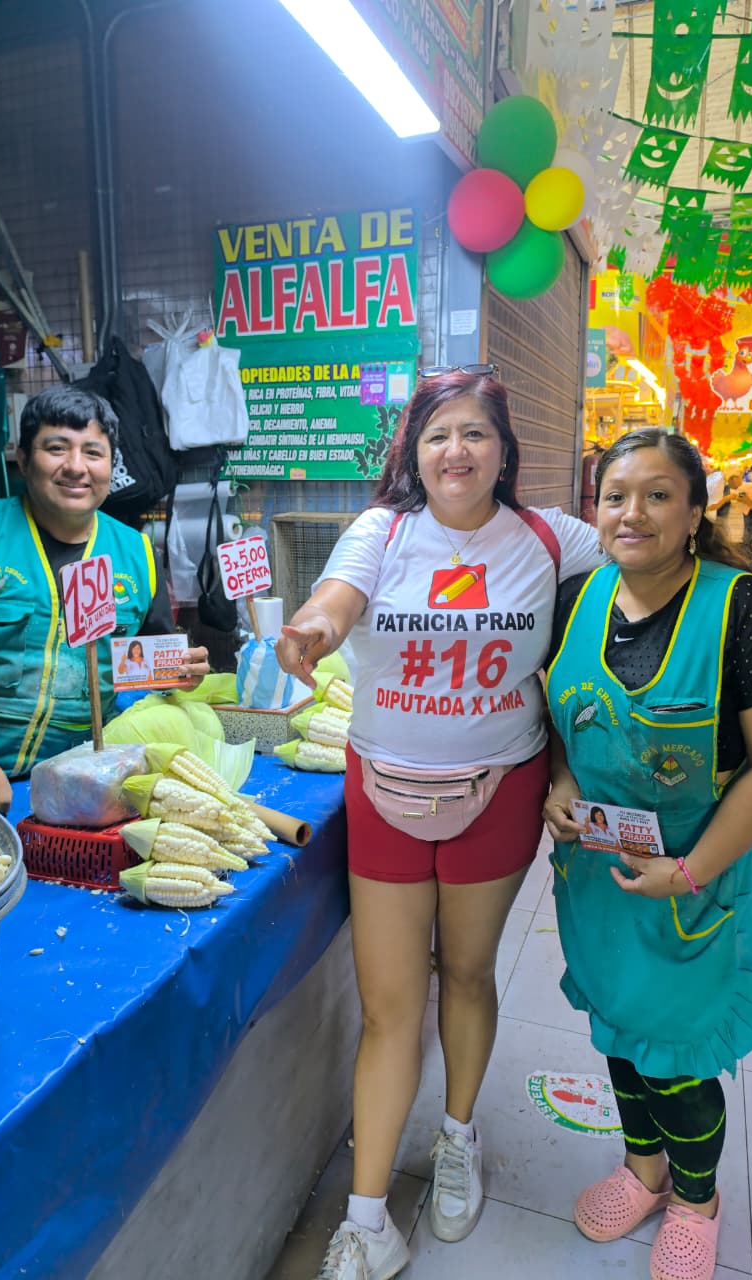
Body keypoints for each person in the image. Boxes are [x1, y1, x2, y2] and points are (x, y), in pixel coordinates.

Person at [275, 366, 606, 1279]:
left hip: (500, 790)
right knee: (389, 1008)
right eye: (437, 435)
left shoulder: (551, 537)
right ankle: (368, 1220)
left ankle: (459, 1137)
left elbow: (640, 562)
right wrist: (311, 632)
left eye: (474, 433)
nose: (455, 451)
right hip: (383, 791)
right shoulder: (381, 531)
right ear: (413, 453)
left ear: (504, 449)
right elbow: (336, 600)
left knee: (464, 974)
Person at [543, 428, 752, 1280]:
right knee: (620, 1030)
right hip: (600, 874)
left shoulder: (742, 608)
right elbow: (562, 717)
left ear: (696, 513)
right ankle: (643, 1172)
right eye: (615, 496)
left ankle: (697, 1201)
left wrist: (689, 871)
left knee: (679, 1058)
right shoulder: (579, 596)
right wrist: (558, 781)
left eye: (658, 495)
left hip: (695, 878)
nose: (633, 513)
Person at [0, 385, 208, 812]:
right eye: (56, 448)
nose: (76, 466)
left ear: (111, 465)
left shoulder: (137, 554)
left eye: (93, 453)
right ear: (23, 460)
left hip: (70, 789)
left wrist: (181, 671)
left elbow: (147, 663)